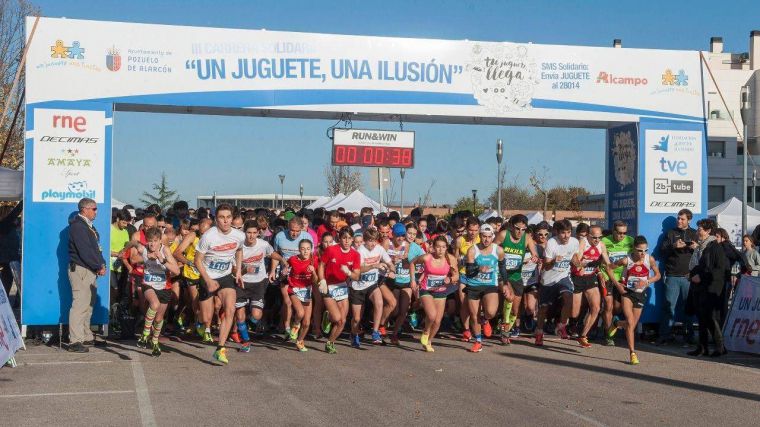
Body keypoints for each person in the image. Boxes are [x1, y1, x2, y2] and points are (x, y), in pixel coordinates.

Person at [195, 204, 245, 364]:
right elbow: (197, 260)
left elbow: (239, 250)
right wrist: (208, 280)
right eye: (222, 217)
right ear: (216, 219)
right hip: (207, 276)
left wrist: (237, 271)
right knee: (206, 317)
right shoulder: (209, 236)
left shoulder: (239, 235)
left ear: (232, 218)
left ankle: (220, 348)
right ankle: (200, 322)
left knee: (230, 309)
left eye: (228, 217)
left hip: (225, 276)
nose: (225, 221)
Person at [607, 235, 660, 365]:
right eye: (640, 250)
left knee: (632, 325)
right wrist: (618, 284)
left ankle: (617, 324)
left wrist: (646, 282)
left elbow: (658, 275)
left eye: (645, 250)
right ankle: (632, 353)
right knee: (630, 322)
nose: (643, 253)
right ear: (634, 249)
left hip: (640, 294)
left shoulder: (650, 259)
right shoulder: (626, 260)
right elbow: (609, 268)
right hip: (627, 293)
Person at [129, 227, 180, 356]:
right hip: (148, 284)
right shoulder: (144, 248)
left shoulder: (165, 250)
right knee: (154, 305)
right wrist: (141, 256)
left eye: (155, 241)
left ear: (160, 241)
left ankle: (155, 341)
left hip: (164, 287)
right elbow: (133, 243)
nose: (152, 244)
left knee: (158, 319)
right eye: (150, 241)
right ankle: (145, 334)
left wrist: (161, 260)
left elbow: (177, 271)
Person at [235, 220, 283, 352]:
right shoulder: (238, 247)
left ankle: (249, 322)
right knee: (239, 316)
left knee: (256, 315)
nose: (251, 236)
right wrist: (244, 270)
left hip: (258, 283)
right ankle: (246, 341)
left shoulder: (263, 244)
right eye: (249, 233)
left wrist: (283, 260)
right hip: (242, 283)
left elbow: (271, 254)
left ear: (258, 233)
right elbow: (234, 269)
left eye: (254, 233)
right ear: (244, 233)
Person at [67, 198, 107, 352]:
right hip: (81, 269)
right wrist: (98, 265)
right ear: (85, 209)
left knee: (88, 305)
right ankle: (75, 341)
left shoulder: (88, 226)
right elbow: (84, 250)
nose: (96, 212)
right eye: (94, 209)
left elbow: (96, 249)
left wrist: (101, 264)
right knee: (80, 305)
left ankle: (86, 336)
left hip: (89, 269)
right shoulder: (78, 226)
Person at [687, 218, 728, 358]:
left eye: (700, 229)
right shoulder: (702, 246)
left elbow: (719, 268)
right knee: (701, 317)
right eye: (698, 228)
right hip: (699, 287)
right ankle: (702, 347)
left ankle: (720, 347)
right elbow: (699, 265)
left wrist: (701, 277)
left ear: (708, 231)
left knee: (710, 318)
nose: (697, 231)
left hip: (710, 287)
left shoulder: (714, 246)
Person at [535, 220, 579, 346]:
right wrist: (554, 261)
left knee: (568, 297)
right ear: (557, 232)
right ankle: (539, 332)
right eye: (563, 233)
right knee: (543, 309)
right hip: (548, 279)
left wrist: (578, 263)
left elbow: (574, 257)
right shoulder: (552, 243)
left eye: (569, 232)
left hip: (563, 276)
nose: (566, 236)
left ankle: (562, 325)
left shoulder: (574, 242)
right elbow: (546, 266)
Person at [571, 225, 616, 348]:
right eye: (594, 237)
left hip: (590, 278)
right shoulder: (583, 242)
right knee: (574, 313)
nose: (597, 240)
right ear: (588, 236)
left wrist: (616, 267)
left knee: (596, 307)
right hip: (577, 278)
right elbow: (576, 257)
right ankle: (569, 325)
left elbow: (608, 263)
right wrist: (579, 265)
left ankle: (583, 335)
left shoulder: (601, 245)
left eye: (599, 237)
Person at [495, 214, 538, 344]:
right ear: (511, 227)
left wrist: (534, 258)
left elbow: (534, 253)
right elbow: (491, 250)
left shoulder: (527, 238)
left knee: (515, 310)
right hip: (502, 274)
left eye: (523, 229)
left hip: (517, 276)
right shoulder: (503, 235)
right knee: (509, 297)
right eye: (517, 228)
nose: (520, 232)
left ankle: (505, 328)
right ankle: (503, 330)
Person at [411, 235, 459, 352]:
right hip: (426, 289)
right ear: (433, 247)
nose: (440, 250)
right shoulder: (427, 257)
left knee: (437, 321)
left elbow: (456, 275)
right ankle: (426, 331)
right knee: (431, 315)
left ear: (446, 248)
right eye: (438, 247)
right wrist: (413, 280)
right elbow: (412, 263)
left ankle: (429, 341)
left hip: (441, 291)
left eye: (443, 247)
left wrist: (451, 279)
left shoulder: (450, 259)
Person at [464, 224, 506, 352]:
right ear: (480, 236)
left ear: (493, 237)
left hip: (490, 284)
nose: (486, 240)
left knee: (491, 312)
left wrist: (505, 285)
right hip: (473, 285)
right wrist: (478, 268)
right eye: (484, 236)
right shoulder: (472, 250)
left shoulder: (498, 250)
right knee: (474, 314)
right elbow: (469, 271)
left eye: (489, 237)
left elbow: (503, 269)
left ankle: (486, 320)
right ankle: (478, 341)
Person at [318, 227, 361, 354]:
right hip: (328, 286)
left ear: (352, 239)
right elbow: (321, 265)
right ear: (339, 238)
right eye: (344, 238)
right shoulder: (331, 250)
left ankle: (330, 342)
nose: (347, 241)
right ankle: (329, 316)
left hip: (342, 286)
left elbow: (357, 276)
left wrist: (349, 272)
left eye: (349, 238)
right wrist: (322, 280)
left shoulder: (355, 254)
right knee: (336, 318)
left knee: (342, 320)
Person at [658, 209, 697, 345]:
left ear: (689, 220)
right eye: (678, 219)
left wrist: (696, 248)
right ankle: (665, 335)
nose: (679, 221)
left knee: (688, 308)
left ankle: (689, 336)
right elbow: (661, 251)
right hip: (672, 275)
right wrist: (673, 246)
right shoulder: (670, 233)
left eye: (682, 219)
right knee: (669, 307)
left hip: (689, 277)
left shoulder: (695, 233)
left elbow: (703, 255)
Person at [350, 228, 394, 348]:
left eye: (374, 240)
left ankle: (375, 332)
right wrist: (374, 265)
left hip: (372, 284)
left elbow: (389, 262)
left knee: (379, 302)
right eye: (370, 241)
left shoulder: (379, 248)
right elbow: (358, 269)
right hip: (358, 287)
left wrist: (392, 269)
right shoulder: (360, 251)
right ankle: (354, 334)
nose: (373, 243)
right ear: (364, 240)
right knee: (356, 318)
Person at [600, 220, 634, 346]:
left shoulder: (630, 241)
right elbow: (599, 260)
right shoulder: (604, 241)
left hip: (623, 278)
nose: (622, 236)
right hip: (607, 276)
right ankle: (608, 334)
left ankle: (610, 321)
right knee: (609, 306)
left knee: (618, 308)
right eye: (619, 233)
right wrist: (600, 274)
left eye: (624, 233)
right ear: (614, 231)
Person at [286, 239, 319, 352]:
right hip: (293, 289)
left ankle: (300, 341)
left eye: (308, 249)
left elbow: (315, 280)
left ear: (311, 250)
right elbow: (286, 265)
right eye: (303, 249)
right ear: (299, 249)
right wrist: (284, 270)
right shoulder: (293, 259)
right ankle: (295, 324)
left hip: (306, 291)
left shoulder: (314, 260)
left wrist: (313, 271)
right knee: (300, 313)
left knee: (306, 322)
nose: (305, 251)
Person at [454, 217, 481, 341]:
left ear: (479, 229)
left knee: (475, 306)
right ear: (467, 229)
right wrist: (456, 268)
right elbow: (455, 258)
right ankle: (466, 330)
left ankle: (476, 327)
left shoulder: (483, 239)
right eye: (470, 230)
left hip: (478, 276)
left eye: (475, 230)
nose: (473, 233)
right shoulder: (460, 240)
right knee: (464, 302)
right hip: (464, 274)